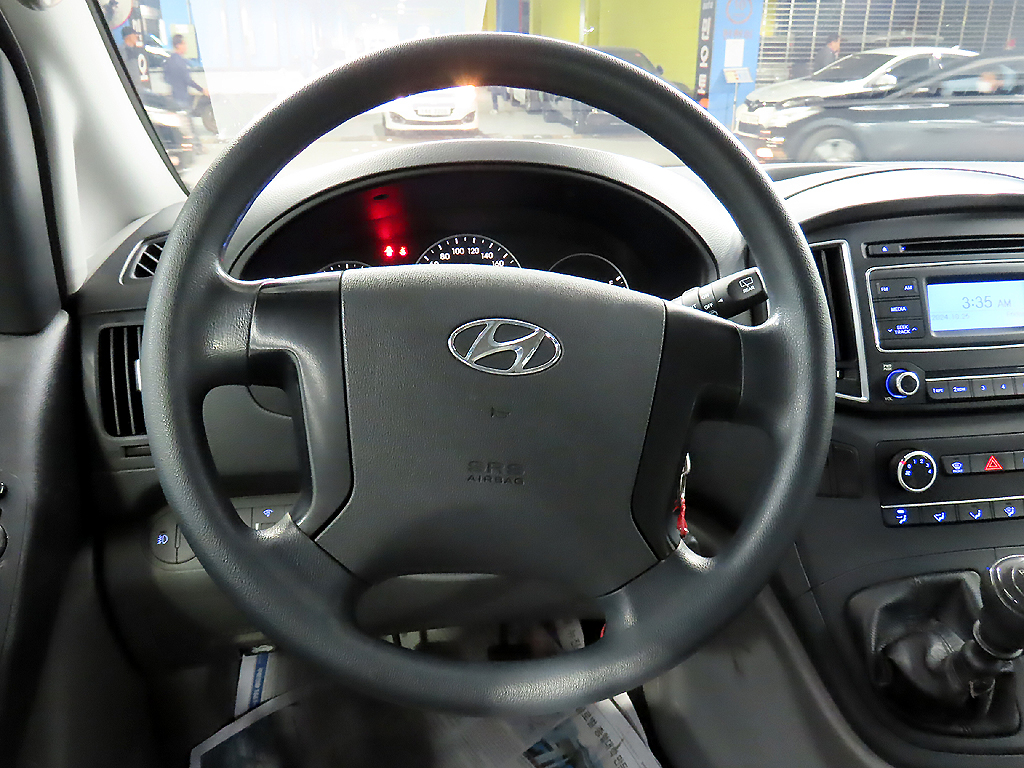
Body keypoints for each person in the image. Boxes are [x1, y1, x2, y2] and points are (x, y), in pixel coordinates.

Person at [164, 34, 208, 151]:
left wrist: (174, 83)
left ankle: (189, 146)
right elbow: (187, 80)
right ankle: (196, 147)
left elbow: (166, 78)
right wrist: (202, 89)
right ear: (178, 45)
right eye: (184, 43)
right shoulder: (180, 62)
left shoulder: (169, 60)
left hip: (174, 95)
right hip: (182, 97)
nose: (186, 46)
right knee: (188, 124)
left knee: (184, 124)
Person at [120, 26, 148, 90]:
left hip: (138, 86)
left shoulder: (135, 50)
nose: (136, 36)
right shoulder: (123, 50)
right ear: (129, 36)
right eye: (134, 34)